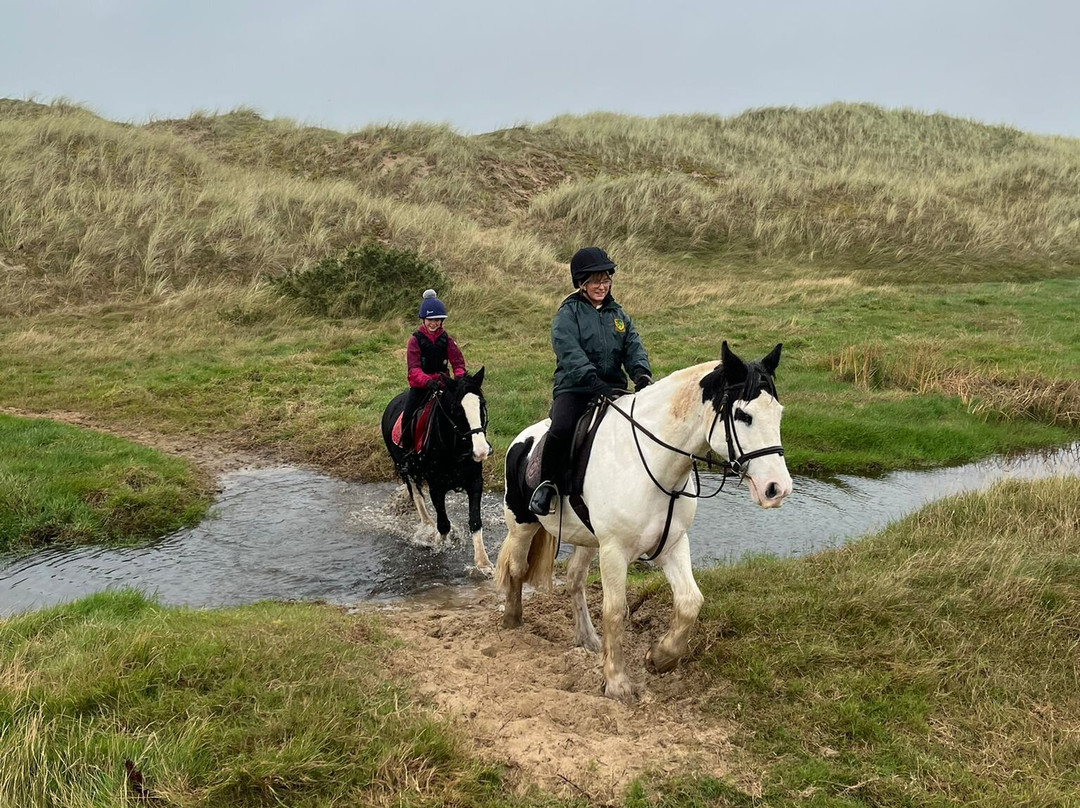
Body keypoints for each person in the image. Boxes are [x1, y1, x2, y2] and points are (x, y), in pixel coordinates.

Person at [528, 247, 653, 515]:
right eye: (596, 281)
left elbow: (633, 346)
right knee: (561, 428)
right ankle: (547, 485)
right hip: (576, 388)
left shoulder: (618, 315)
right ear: (581, 283)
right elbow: (569, 351)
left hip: (613, 388)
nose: (602, 286)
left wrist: (641, 374)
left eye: (606, 279)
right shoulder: (567, 314)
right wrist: (592, 380)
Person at [400, 289, 467, 454]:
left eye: (437, 320)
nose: (434, 323)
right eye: (430, 319)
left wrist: (458, 378)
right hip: (421, 388)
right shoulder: (415, 341)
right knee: (408, 417)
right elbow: (413, 369)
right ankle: (407, 454)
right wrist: (427, 381)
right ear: (423, 319)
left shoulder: (447, 339)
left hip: (444, 386)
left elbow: (458, 363)